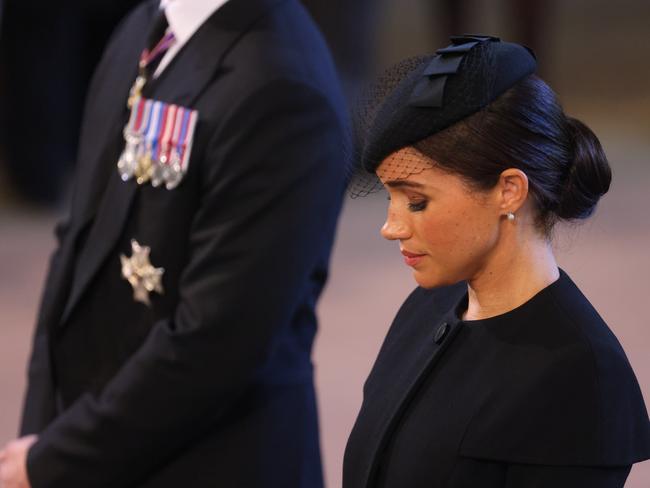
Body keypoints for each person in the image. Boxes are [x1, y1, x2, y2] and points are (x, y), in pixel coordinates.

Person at [0, 0, 346, 486]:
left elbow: (215, 344)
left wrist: (57, 459)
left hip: (205, 459)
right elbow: (77, 244)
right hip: (99, 444)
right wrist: (42, 427)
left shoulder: (280, 86)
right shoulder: (145, 26)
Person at [343, 35, 650, 488]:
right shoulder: (425, 307)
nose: (391, 227)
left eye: (416, 202)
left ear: (509, 190)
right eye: (390, 198)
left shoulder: (579, 373)